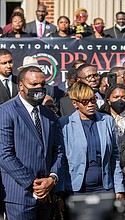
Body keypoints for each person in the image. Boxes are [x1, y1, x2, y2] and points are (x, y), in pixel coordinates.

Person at [0, 66, 63, 220]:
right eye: (34, 85)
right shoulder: (6, 111)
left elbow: (58, 150)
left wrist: (51, 179)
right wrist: (33, 185)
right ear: (21, 86)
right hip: (20, 195)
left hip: (47, 194)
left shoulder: (49, 114)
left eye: (42, 85)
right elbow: (5, 154)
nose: (39, 88)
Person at [56, 81, 125, 198]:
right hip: (75, 189)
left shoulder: (107, 120)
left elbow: (114, 156)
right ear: (75, 103)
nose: (90, 104)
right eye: (85, 101)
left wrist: (119, 187)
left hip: (104, 187)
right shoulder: (65, 124)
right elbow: (61, 159)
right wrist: (59, 192)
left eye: (93, 100)